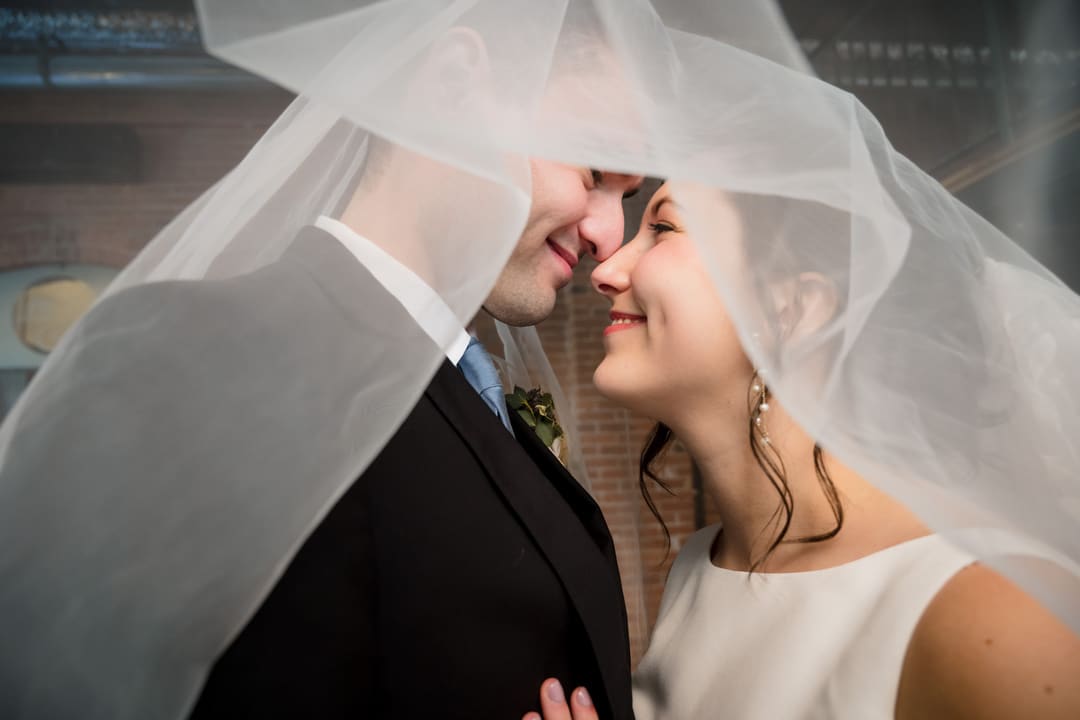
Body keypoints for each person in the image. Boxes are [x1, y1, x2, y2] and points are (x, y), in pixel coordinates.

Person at [521, 182, 1080, 720]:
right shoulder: (702, 565)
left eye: (663, 227)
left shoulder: (997, 615)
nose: (608, 269)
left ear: (798, 306)